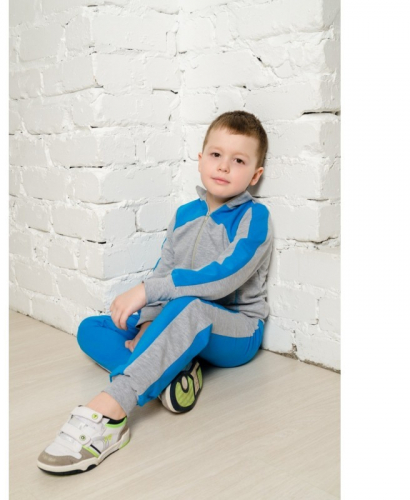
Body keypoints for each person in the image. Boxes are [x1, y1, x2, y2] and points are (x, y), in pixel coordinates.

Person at [37, 110, 274, 475]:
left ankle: (112, 411)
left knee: (190, 306)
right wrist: (148, 320)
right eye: (216, 154)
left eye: (238, 160)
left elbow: (223, 278)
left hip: (235, 330)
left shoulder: (254, 218)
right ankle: (172, 373)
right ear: (201, 158)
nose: (224, 166)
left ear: (255, 175)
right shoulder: (184, 214)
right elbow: (165, 269)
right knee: (93, 328)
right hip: (181, 321)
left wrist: (148, 292)